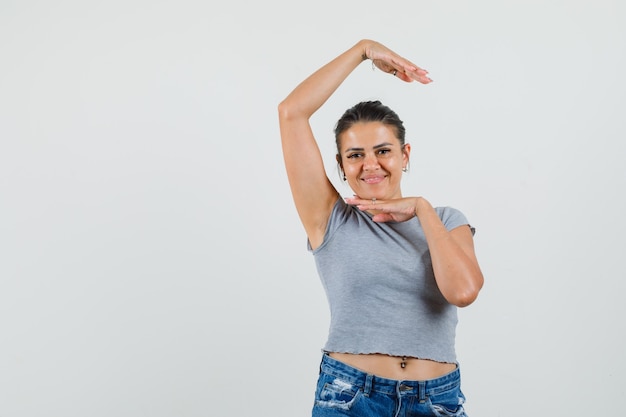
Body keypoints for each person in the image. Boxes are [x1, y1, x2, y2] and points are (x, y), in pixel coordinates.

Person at [278, 39, 484, 417]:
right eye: (355, 155)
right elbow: (291, 112)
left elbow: (463, 291)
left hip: (436, 400)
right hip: (350, 395)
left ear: (405, 155)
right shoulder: (330, 219)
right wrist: (363, 51)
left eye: (383, 150)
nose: (370, 164)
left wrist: (421, 209)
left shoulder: (447, 219)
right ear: (341, 165)